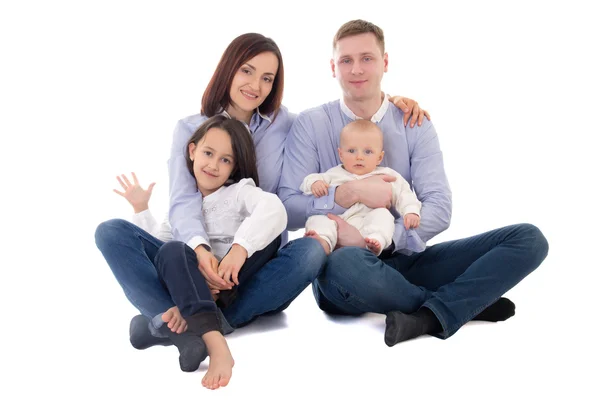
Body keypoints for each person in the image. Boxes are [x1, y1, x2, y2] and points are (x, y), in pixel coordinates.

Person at [95, 31, 427, 373]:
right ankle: (203, 327)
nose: (256, 85)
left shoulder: (285, 124)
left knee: (312, 250)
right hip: (190, 260)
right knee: (111, 232)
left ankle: (174, 323)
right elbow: (182, 202)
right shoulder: (190, 129)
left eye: (267, 78)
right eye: (247, 71)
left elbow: (345, 136)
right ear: (229, 69)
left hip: (254, 263)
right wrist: (201, 253)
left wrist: (389, 105)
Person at [278, 19, 549, 346]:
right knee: (348, 262)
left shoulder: (413, 123)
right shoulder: (311, 123)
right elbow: (290, 207)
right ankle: (459, 304)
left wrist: (386, 240)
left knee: (529, 239)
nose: (356, 69)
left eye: (367, 58)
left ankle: (431, 313)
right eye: (346, 60)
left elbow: (439, 207)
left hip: (405, 257)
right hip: (342, 266)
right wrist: (345, 196)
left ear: (385, 62)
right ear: (333, 67)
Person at [112, 115, 288, 389]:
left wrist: (238, 250)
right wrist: (141, 210)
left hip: (222, 287)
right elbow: (156, 251)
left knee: (271, 240)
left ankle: (173, 329)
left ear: (234, 167)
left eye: (225, 160)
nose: (214, 165)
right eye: (208, 153)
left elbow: (274, 209)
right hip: (183, 285)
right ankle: (182, 332)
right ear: (192, 151)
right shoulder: (180, 208)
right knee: (118, 234)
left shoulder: (239, 192)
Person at [301, 119, 421, 255]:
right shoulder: (335, 173)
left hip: (366, 220)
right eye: (351, 151)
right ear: (341, 154)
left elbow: (404, 194)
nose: (359, 157)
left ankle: (375, 241)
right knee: (318, 219)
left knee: (383, 215)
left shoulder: (386, 175)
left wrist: (410, 211)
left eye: (368, 152)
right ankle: (323, 241)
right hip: (338, 220)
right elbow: (309, 180)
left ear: (379, 157)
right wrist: (314, 183)